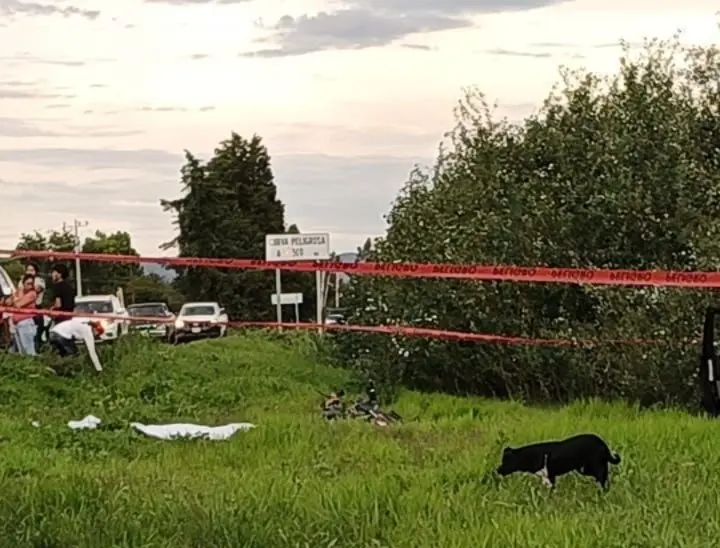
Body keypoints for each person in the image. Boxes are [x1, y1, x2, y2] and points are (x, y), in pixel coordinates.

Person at [8, 274, 38, 356]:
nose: (30, 286)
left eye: (31, 284)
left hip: (26, 323)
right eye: (28, 283)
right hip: (17, 324)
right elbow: (8, 302)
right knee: (22, 352)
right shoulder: (19, 292)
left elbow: (18, 304)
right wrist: (14, 295)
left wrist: (19, 292)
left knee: (29, 352)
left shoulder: (32, 293)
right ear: (23, 283)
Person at [18, 262, 46, 350]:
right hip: (23, 310)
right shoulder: (21, 281)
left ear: (36, 271)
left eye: (32, 270)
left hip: (36, 308)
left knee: (36, 334)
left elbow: (35, 290)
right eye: (28, 270)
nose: (29, 272)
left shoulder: (39, 280)